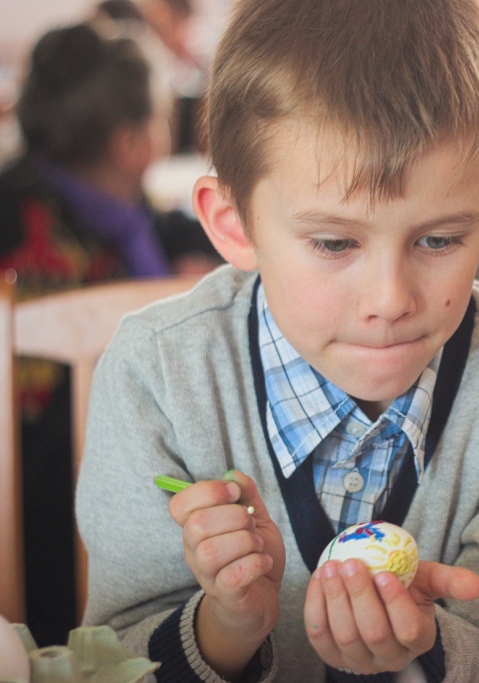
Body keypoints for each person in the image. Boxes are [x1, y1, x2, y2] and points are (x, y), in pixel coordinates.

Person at [75, 0, 479, 681]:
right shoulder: (157, 375)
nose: (389, 300)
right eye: (334, 242)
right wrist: (225, 624)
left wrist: (425, 644)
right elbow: (103, 664)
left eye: (439, 239)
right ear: (232, 223)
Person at [0, 21, 216, 646]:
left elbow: (160, 227)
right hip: (57, 528)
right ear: (131, 144)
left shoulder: (63, 194)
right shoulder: (64, 236)